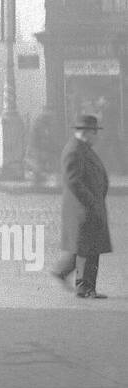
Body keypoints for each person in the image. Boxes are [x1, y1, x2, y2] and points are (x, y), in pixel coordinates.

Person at [51, 114, 112, 300]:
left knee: (86, 247)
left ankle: (64, 272)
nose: (97, 136)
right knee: (88, 248)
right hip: (83, 209)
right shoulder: (74, 150)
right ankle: (84, 288)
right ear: (86, 132)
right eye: (95, 132)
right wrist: (91, 201)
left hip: (88, 207)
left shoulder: (83, 148)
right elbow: (73, 181)